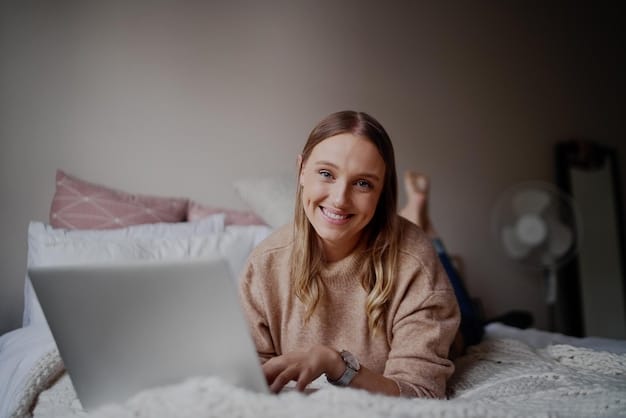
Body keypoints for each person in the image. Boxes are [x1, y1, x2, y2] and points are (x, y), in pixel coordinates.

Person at [239, 110, 460, 398]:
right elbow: (249, 380)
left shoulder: (414, 262)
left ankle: (421, 218)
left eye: (363, 183)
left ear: (382, 192)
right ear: (302, 170)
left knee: (466, 310)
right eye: (326, 174)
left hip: (446, 309)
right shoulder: (264, 263)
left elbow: (422, 392)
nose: (340, 200)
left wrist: (337, 365)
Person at [399, 171, 484, 350]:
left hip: (435, 320)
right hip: (452, 324)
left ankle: (421, 222)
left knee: (463, 315)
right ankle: (422, 223)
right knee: (467, 322)